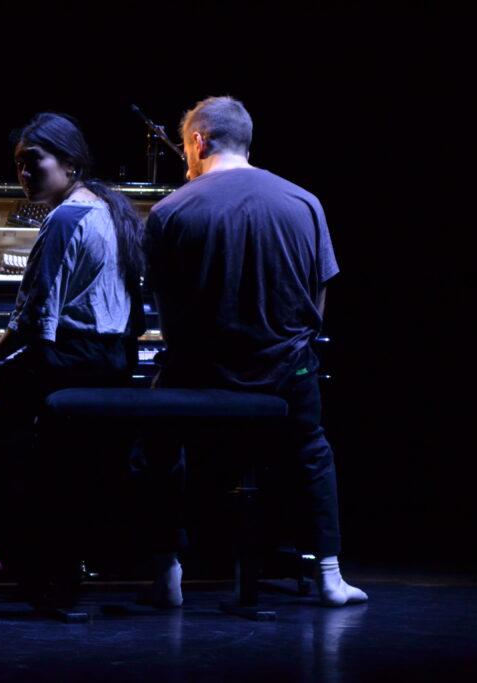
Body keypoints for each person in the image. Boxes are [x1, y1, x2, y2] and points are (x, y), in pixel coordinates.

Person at [140, 95, 367, 608]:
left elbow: (167, 310)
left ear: (198, 141)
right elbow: (318, 297)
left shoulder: (170, 210)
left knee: (155, 451)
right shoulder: (305, 202)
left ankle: (166, 572)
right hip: (286, 374)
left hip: (202, 376)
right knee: (312, 450)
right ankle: (329, 575)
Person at [0, 112, 145, 612]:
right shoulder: (110, 207)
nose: (23, 174)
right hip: (107, 361)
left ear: (70, 162)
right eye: (18, 164)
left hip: (68, 361)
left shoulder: (64, 218)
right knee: (3, 438)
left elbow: (32, 321)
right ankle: (40, 565)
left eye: (33, 162)